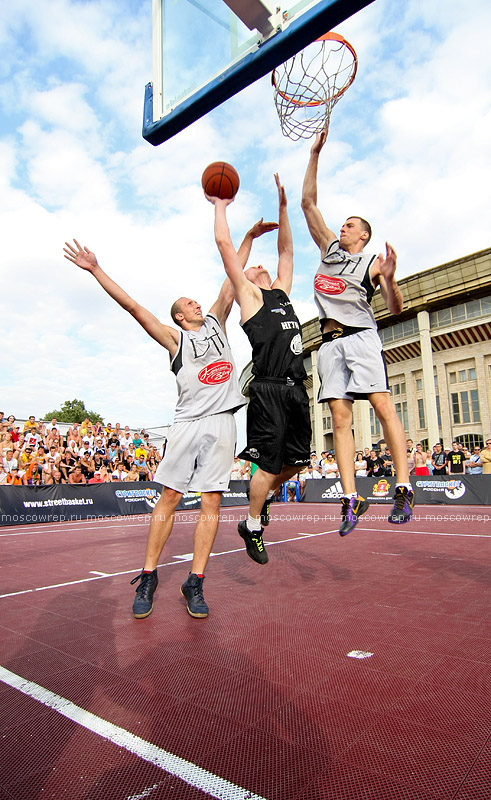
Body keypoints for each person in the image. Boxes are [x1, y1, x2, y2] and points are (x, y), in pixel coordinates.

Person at [64, 225, 269, 619]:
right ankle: (148, 575)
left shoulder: (216, 324)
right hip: (188, 422)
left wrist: (248, 238)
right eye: (189, 304)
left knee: (212, 501)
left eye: (197, 301)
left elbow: (232, 274)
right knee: (171, 497)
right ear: (178, 316)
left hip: (223, 422)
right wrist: (95, 269)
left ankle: (195, 582)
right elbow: (132, 306)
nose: (197, 305)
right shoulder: (175, 340)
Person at [302, 127, 415, 534]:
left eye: (351, 226)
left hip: (361, 336)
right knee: (339, 417)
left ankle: (403, 488)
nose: (343, 228)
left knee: (383, 406)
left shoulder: (370, 263)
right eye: (344, 225)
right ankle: (351, 499)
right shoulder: (329, 249)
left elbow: (396, 308)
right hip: (328, 344)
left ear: (363, 236)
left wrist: (391, 279)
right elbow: (307, 202)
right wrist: (315, 152)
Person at [209, 173, 312, 565]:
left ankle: (262, 496)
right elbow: (224, 246)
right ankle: (252, 525)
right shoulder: (249, 298)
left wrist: (285, 208)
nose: (258, 267)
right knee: (268, 465)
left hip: (296, 389)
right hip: (268, 389)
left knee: (296, 463)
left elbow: (287, 250)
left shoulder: (281, 292)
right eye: (250, 268)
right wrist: (220, 206)